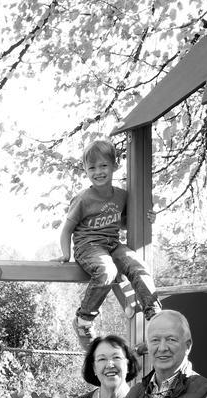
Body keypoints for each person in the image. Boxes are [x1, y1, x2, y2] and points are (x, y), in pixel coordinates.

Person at [60, 139, 161, 348]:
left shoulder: (122, 196)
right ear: (85, 170)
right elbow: (67, 229)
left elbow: (125, 222)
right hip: (88, 246)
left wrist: (148, 217)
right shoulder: (83, 199)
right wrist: (65, 254)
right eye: (92, 167)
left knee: (137, 264)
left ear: (114, 166)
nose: (98, 172)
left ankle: (154, 314)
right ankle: (84, 319)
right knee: (107, 270)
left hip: (112, 244)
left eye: (103, 165)